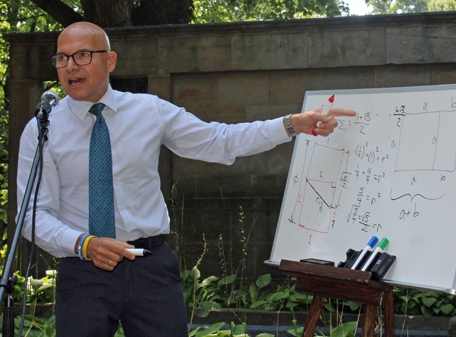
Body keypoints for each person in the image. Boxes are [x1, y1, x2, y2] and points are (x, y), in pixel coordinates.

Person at [16, 22, 356, 336]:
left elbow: (219, 141)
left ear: (111, 61)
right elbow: (31, 215)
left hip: (149, 267)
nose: (71, 66)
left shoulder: (149, 111)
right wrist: (84, 244)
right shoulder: (43, 129)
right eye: (62, 58)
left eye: (82, 55)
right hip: (83, 270)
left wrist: (290, 125)